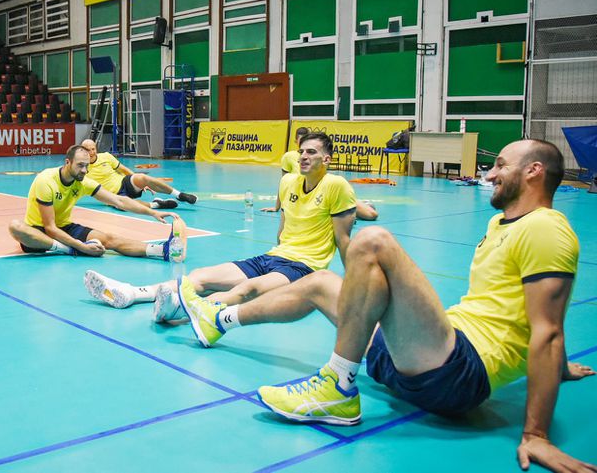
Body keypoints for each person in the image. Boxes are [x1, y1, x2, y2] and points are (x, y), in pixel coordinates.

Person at [251, 140, 594, 473]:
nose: (489, 175)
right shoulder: (498, 224)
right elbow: (533, 310)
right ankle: (222, 317)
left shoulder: (546, 228)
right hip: (415, 361)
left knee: (372, 241)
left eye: (502, 165)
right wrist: (562, 367)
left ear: (534, 171)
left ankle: (338, 385)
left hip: (457, 372)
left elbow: (548, 327)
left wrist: (536, 435)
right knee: (321, 282)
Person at [85, 132, 355, 316]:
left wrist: (352, 285)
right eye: (301, 152)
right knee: (201, 277)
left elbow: (343, 241)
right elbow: (283, 228)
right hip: (275, 257)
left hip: (303, 267)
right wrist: (279, 249)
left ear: (327, 159)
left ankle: (179, 308)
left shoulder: (337, 186)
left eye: (312, 152)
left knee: (248, 289)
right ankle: (133, 293)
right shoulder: (288, 182)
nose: (304, 157)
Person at [8, 144, 185, 261]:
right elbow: (50, 228)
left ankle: (162, 251)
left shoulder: (83, 182)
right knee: (15, 226)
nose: (84, 170)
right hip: (39, 233)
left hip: (64, 227)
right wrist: (79, 247)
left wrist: (152, 212)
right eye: (80, 165)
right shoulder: (46, 180)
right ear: (67, 162)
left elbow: (119, 200)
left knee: (109, 238)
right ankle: (65, 249)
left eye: (87, 166)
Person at [269, 126, 378, 221]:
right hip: (301, 195)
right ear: (295, 141)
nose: (304, 156)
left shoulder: (332, 182)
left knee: (370, 214)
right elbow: (283, 186)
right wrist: (277, 207)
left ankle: (353, 206)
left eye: (310, 150)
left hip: (323, 193)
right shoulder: (288, 157)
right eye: (301, 149)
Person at [81, 139, 197, 210]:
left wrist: (140, 181)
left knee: (143, 177)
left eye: (93, 149)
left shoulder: (105, 156)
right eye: (88, 150)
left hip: (123, 182)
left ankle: (179, 195)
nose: (91, 152)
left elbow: (124, 169)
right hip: (112, 196)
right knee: (125, 206)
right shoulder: (81, 168)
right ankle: (157, 205)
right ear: (82, 150)